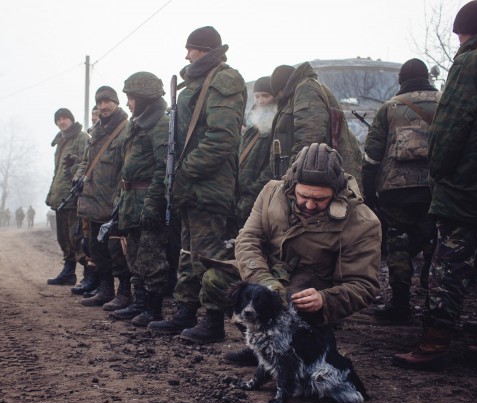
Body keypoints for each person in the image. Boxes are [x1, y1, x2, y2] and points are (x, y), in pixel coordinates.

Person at [202, 143, 381, 358]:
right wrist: (263, 280)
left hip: (309, 294)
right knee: (215, 279)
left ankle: (289, 348)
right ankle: (262, 344)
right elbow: (248, 239)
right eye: (303, 196)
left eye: (320, 199)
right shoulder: (271, 192)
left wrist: (325, 300)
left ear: (336, 192)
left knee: (290, 307)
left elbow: (364, 285)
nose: (310, 205)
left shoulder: (362, 221)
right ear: (291, 185)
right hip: (269, 276)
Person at [393, 0, 477, 369]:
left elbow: (451, 126)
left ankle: (435, 342)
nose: (458, 41)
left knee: (448, 264)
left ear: (468, 31)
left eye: (459, 34)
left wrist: (439, 171)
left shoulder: (473, 62)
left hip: (465, 186)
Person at [147, 26, 247, 338]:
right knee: (189, 254)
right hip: (191, 185)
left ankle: (213, 321)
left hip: (208, 185)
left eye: (190, 49)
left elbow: (222, 138)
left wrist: (186, 170)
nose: (186, 55)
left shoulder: (224, 79)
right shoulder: (199, 82)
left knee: (212, 256)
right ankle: (186, 312)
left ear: (201, 50)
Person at [362, 58, 439, 323]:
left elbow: (372, 156)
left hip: (397, 190)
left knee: (399, 244)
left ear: (401, 80)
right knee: (435, 244)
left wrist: (369, 193)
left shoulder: (389, 108)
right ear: (427, 76)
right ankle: (434, 305)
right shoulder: (446, 101)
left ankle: (401, 305)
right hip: (437, 188)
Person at [110, 71, 171, 325]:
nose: (127, 104)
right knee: (134, 254)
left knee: (151, 256)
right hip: (131, 199)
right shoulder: (138, 123)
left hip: (147, 198)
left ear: (144, 98)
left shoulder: (160, 124)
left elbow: (163, 167)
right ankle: (139, 303)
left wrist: (153, 203)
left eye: (131, 98)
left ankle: (153, 310)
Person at [74, 86, 131, 307]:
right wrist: (78, 177)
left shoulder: (126, 129)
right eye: (100, 103)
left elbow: (128, 166)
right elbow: (86, 161)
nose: (104, 106)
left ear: (116, 103)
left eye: (108, 101)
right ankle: (106, 290)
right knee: (96, 248)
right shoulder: (96, 131)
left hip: (114, 200)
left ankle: (124, 293)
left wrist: (120, 196)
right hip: (93, 199)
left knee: (117, 249)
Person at [269, 62, 362, 185]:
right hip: (319, 176)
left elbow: (309, 138)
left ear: (282, 88)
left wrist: (292, 176)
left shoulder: (306, 89)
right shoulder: (306, 88)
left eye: (279, 94)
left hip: (317, 180)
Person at [45, 108, 90, 286]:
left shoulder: (82, 138)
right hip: (60, 197)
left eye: (65, 118)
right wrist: (51, 193)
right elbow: (58, 172)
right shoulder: (60, 141)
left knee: (77, 236)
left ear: (71, 119)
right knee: (63, 237)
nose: (62, 122)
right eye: (59, 119)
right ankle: (68, 271)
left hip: (74, 196)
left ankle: (89, 274)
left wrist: (75, 167)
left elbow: (87, 163)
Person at [237, 76, 277, 226]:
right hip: (243, 191)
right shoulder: (252, 122)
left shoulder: (278, 125)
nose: (260, 100)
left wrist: (253, 190)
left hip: (258, 193)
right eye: (257, 96)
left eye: (265, 96)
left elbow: (272, 166)